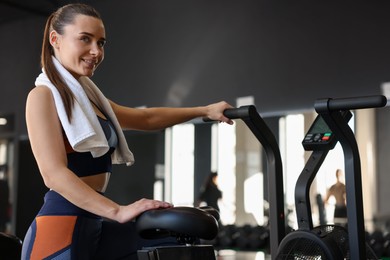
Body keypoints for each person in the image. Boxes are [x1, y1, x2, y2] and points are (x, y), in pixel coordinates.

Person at [21, 3, 234, 260]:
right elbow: (53, 175)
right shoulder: (42, 96)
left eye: (101, 43)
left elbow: (146, 117)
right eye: (85, 39)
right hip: (59, 230)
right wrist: (118, 211)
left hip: (93, 223)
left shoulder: (91, 101)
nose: (95, 51)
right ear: (55, 39)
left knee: (172, 243)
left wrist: (205, 110)